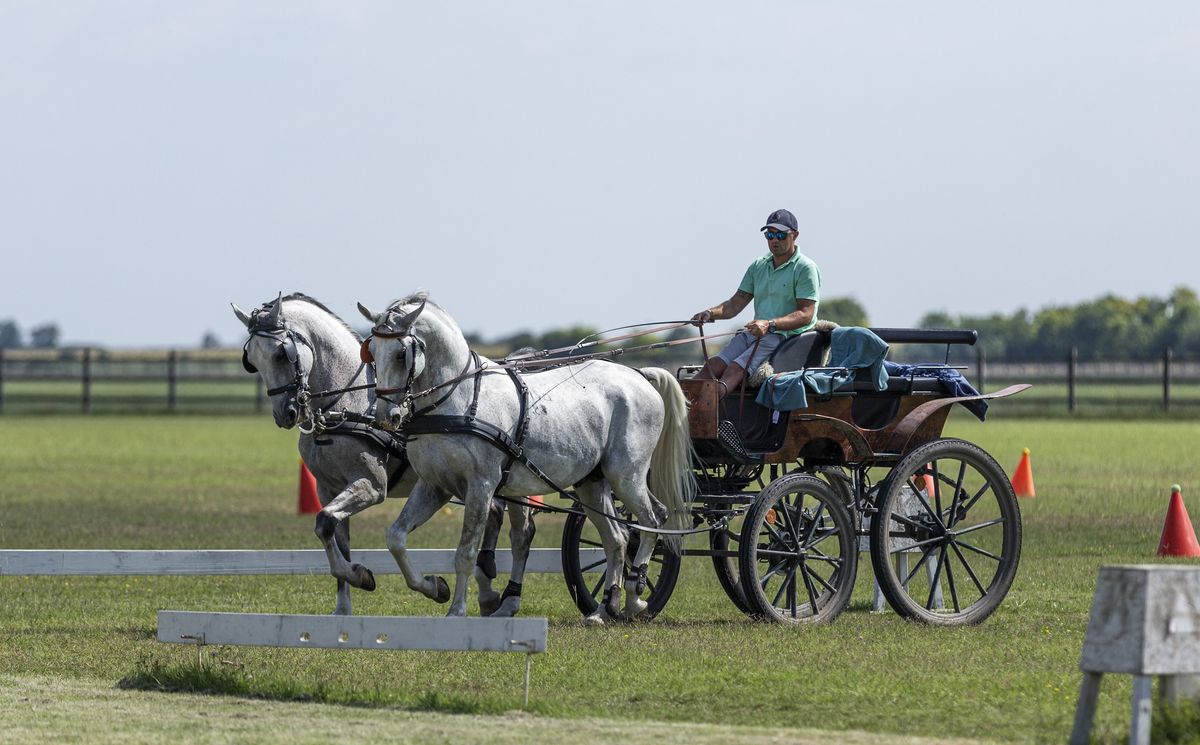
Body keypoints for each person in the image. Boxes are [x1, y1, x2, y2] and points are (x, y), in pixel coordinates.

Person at [690, 208, 821, 396]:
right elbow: (735, 304)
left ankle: (705, 412)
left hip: (784, 336)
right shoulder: (758, 266)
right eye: (770, 235)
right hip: (756, 332)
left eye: (780, 235)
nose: (774, 240)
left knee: (734, 369)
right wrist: (711, 313)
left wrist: (769, 324)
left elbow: (805, 314)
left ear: (795, 235)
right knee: (713, 365)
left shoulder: (805, 268)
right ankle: (682, 407)